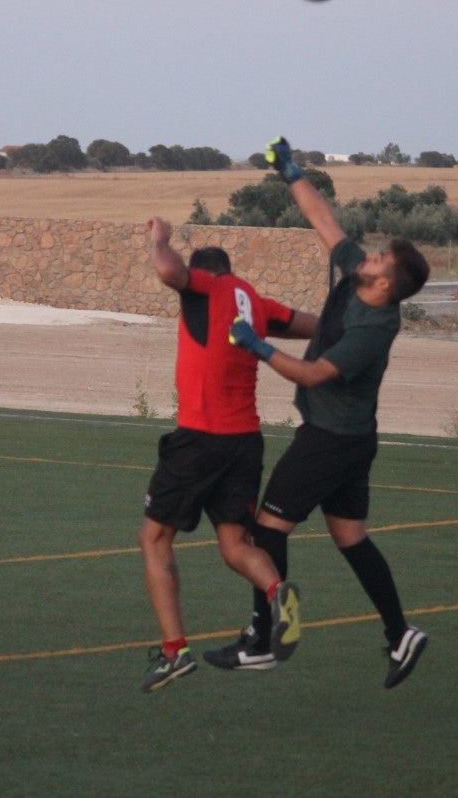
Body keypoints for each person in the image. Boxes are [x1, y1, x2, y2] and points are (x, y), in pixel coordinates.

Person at [210, 137, 432, 689]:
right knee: (351, 537)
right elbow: (323, 219)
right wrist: (290, 170)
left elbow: (312, 374)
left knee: (267, 529)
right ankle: (400, 633)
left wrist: (258, 346)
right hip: (353, 441)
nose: (367, 255)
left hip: (331, 441)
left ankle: (262, 640)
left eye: (378, 259)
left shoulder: (373, 329)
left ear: (385, 283)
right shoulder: (358, 274)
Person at [138, 217, 319, 692]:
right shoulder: (255, 302)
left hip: (200, 437)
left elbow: (168, 270)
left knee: (155, 538)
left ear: (203, 274)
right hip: (244, 443)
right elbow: (312, 325)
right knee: (235, 544)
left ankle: (175, 653)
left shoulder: (205, 288)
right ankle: (278, 592)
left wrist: (160, 238)